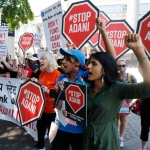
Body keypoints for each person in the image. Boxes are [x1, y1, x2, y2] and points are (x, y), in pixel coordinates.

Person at [44, 18, 116, 150]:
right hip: (62, 127)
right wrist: (60, 93)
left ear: (77, 64)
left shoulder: (88, 80)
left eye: (67, 59)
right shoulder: (60, 79)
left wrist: (103, 31)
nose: (63, 62)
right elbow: (58, 107)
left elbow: (111, 64)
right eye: (63, 58)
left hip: (82, 131)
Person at [80, 26, 150, 149]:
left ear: (104, 71)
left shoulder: (117, 88)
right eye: (88, 63)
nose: (88, 66)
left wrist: (139, 50)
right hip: (87, 140)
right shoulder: (87, 89)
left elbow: (147, 88)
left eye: (94, 64)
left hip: (107, 141)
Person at [30, 52, 61, 150]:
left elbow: (60, 93)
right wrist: (34, 83)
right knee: (40, 129)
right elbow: (40, 88)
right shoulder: (42, 73)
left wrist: (47, 90)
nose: (41, 61)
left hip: (53, 110)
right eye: (41, 59)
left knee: (53, 134)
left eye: (44, 59)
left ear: (50, 61)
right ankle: (40, 146)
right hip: (42, 108)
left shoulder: (57, 74)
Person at [116, 59, 137, 147]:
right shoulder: (114, 77)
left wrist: (131, 98)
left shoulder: (130, 77)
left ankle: (121, 138)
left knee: (123, 121)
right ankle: (115, 136)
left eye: (123, 65)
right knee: (116, 120)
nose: (121, 67)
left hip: (125, 103)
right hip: (115, 102)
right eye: (120, 66)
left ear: (126, 66)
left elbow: (135, 89)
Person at [138, 65, 150, 150]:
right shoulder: (147, 79)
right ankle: (143, 148)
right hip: (146, 104)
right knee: (145, 126)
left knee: (145, 127)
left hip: (146, 103)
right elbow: (140, 69)